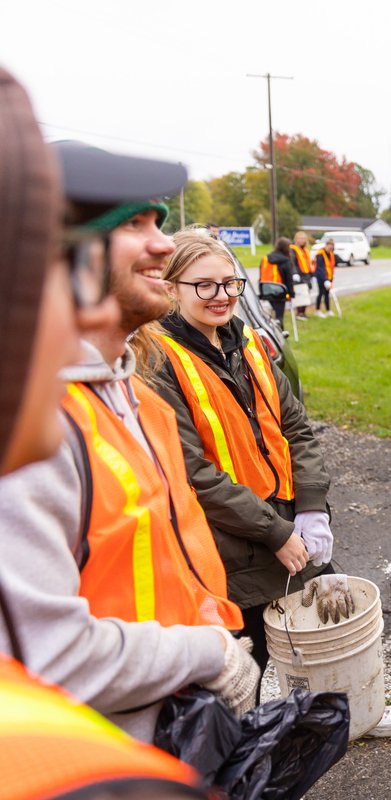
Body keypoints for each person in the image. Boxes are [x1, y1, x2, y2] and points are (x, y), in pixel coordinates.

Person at [0, 65, 207, 800]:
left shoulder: (135, 395)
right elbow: (47, 655)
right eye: (131, 224)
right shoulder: (40, 431)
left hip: (163, 726)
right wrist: (206, 652)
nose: (165, 245)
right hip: (90, 752)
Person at [140, 228, 391, 736]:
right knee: (246, 659)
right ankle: (235, 762)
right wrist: (274, 533)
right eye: (204, 285)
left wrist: (310, 509)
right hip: (225, 539)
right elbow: (191, 472)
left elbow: (297, 428)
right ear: (171, 287)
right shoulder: (157, 363)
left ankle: (352, 714)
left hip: (286, 514)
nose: (221, 295)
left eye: (230, 283)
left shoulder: (245, 344)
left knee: (330, 619)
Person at [259, 236, 295, 322]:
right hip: (280, 291)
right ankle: (280, 332)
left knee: (267, 318)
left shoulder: (265, 258)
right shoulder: (286, 260)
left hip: (266, 290)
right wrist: (291, 294)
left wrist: (261, 291)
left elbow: (260, 275)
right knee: (279, 317)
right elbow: (289, 279)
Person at [290, 230, 314, 318]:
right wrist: (295, 273)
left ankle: (303, 312)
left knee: (306, 294)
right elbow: (292, 262)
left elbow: (309, 263)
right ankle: (299, 313)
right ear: (296, 239)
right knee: (300, 294)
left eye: (303, 238)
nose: (302, 240)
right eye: (300, 238)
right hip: (299, 275)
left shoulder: (305, 250)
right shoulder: (292, 249)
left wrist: (312, 274)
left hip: (307, 275)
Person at [314, 237, 335, 317]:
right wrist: (325, 280)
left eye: (331, 248)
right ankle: (317, 310)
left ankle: (328, 310)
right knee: (321, 293)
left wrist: (329, 279)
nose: (330, 249)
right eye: (329, 247)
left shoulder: (331, 254)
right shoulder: (320, 255)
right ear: (326, 245)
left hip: (329, 277)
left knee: (327, 294)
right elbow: (320, 268)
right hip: (321, 277)